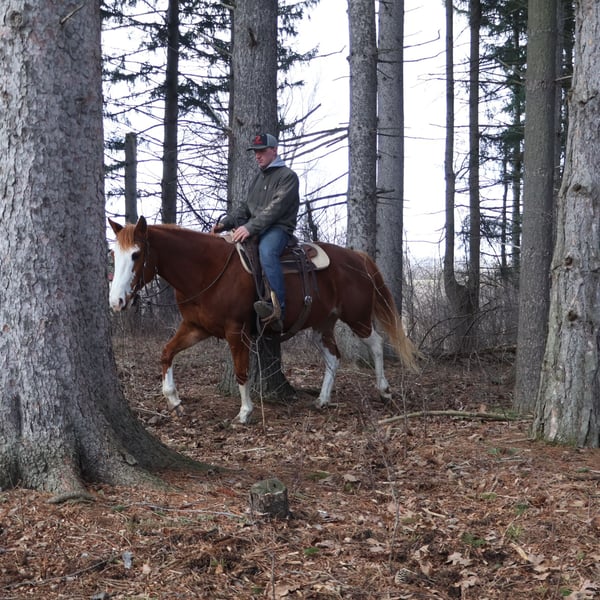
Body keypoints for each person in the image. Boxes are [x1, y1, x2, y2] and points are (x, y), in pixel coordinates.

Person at [211, 133, 300, 326]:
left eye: (262, 151)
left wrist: (249, 227)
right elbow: (245, 207)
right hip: (257, 228)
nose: (257, 156)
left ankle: (278, 309)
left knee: (267, 252)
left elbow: (275, 209)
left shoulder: (288, 177)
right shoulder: (258, 178)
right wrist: (225, 223)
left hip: (278, 228)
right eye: (255, 152)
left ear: (274, 150)